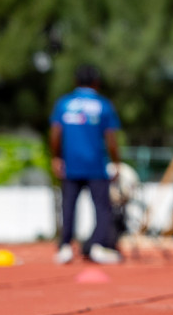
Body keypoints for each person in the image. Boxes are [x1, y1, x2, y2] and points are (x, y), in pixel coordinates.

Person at [50, 64, 123, 264]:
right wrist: (116, 163)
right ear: (96, 82)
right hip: (96, 166)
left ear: (75, 82)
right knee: (101, 208)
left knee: (69, 207)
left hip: (71, 164)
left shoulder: (64, 104)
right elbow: (110, 138)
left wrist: (56, 157)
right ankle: (99, 247)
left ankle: (65, 247)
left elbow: (56, 134)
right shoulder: (103, 105)